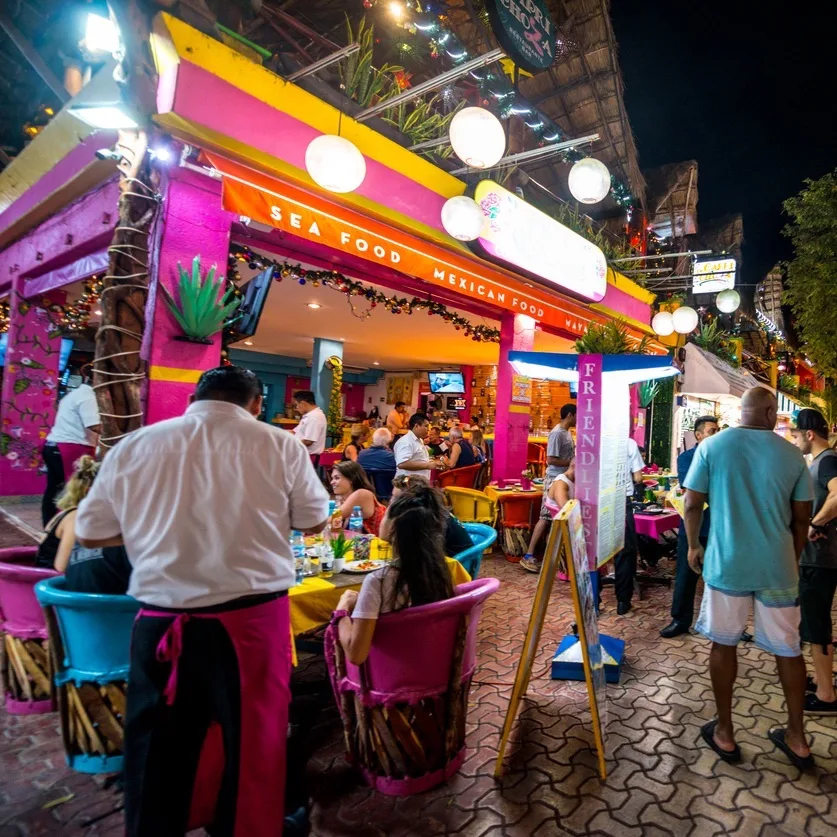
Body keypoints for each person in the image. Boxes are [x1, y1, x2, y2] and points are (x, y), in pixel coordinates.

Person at [75, 366, 330, 836]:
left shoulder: (137, 445)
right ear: (256, 405)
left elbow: (90, 530)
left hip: (161, 620)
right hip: (251, 622)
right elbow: (313, 521)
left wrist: (155, 533)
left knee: (155, 744)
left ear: (194, 397)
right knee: (254, 743)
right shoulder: (279, 445)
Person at [685, 386, 814, 769]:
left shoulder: (712, 447)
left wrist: (694, 545)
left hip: (727, 565)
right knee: (788, 649)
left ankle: (725, 732)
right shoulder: (792, 456)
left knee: (723, 645)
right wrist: (792, 556)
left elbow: (692, 502)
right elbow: (802, 517)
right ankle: (798, 737)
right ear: (772, 413)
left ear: (741, 412)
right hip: (778, 568)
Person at [335, 483, 455, 665]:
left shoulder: (378, 581)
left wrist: (342, 610)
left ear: (393, 526)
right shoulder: (440, 569)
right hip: (432, 666)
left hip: (389, 676)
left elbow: (356, 655)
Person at [791, 408, 837, 714]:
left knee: (817, 623)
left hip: (820, 560)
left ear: (809, 434)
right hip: (817, 559)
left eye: (796, 435)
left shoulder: (828, 461)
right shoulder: (822, 462)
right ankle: (824, 680)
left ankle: (826, 695)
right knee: (813, 622)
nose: (794, 440)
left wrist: (816, 524)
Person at [36, 455, 131, 594]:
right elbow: (61, 567)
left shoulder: (71, 513)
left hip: (57, 591)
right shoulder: (76, 518)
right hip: (53, 587)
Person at [660, 415, 720, 638]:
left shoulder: (724, 457)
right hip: (692, 526)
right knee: (686, 574)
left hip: (719, 525)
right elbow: (691, 489)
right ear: (699, 434)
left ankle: (723, 623)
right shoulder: (687, 458)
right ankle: (680, 621)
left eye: (717, 431)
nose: (716, 435)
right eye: (712, 431)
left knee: (719, 577)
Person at [41, 367, 101, 526]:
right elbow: (94, 425)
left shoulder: (74, 394)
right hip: (69, 447)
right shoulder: (89, 397)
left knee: (54, 489)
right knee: (72, 491)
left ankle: (49, 527)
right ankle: (64, 529)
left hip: (53, 445)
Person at [521, 404, 576, 573]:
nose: (578, 419)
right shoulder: (557, 433)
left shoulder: (566, 432)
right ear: (569, 415)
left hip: (564, 477)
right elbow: (550, 460)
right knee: (546, 517)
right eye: (576, 415)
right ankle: (529, 555)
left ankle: (553, 557)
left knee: (554, 517)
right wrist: (573, 463)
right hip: (554, 479)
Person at [391, 474, 472, 557]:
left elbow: (426, 555)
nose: (392, 502)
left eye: (397, 499)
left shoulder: (429, 517)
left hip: (460, 563)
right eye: (392, 497)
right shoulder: (428, 508)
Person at [611, 436, 646, 614]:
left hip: (594, 501)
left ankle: (593, 598)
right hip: (620, 502)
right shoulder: (629, 443)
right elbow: (638, 477)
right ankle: (623, 601)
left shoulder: (591, 440)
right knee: (624, 551)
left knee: (593, 551)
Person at [330, 461, 386, 537]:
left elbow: (331, 520)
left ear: (351, 479)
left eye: (337, 478)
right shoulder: (342, 500)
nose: (331, 482)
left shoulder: (361, 494)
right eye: (332, 478)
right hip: (358, 546)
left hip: (379, 546)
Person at [393, 413, 445, 481]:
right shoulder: (406, 442)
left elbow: (418, 459)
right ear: (417, 426)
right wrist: (427, 465)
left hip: (417, 484)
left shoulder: (419, 439)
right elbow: (402, 464)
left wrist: (432, 462)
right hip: (407, 485)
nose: (428, 430)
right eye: (426, 426)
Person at [293, 390, 327, 466]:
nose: (297, 408)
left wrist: (291, 445)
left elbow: (308, 441)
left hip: (308, 457)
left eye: (297, 405)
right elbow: (294, 432)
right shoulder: (309, 416)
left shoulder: (315, 417)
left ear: (303, 403)